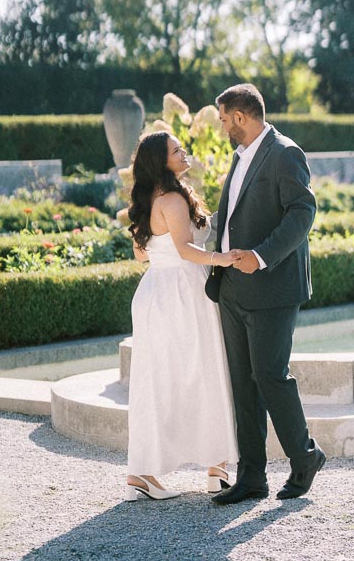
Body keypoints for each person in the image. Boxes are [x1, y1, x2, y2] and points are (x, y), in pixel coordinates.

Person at [206, 83, 326, 503]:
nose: (221, 127)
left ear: (240, 116)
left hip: (273, 286)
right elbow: (235, 215)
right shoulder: (239, 157)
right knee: (243, 383)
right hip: (232, 289)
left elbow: (302, 213)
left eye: (223, 119)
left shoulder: (285, 153)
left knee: (270, 376)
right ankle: (252, 477)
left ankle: (305, 457)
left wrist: (260, 256)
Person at [124, 130, 238, 501]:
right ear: (162, 161)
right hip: (182, 292)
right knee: (202, 371)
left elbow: (143, 255)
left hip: (157, 291)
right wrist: (221, 259)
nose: (184, 152)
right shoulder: (171, 198)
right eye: (176, 150)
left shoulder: (146, 200)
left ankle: (143, 472)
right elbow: (186, 250)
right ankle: (216, 467)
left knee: (159, 380)